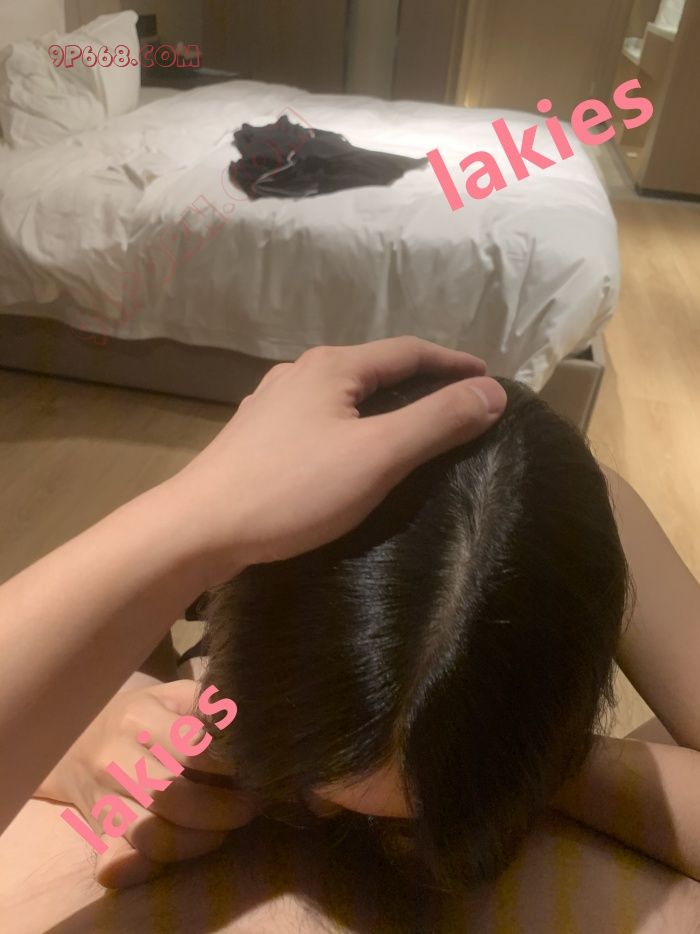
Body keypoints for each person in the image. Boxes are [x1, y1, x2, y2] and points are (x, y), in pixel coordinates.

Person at [2, 369, 699, 933]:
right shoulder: (246, 523)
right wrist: (80, 737)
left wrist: (529, 763)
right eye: (319, 786)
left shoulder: (598, 526)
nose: (339, 820)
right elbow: (128, 671)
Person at [0, 337, 506, 835]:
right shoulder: (210, 695)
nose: (318, 818)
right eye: (300, 782)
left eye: (391, 829)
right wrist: (71, 731)